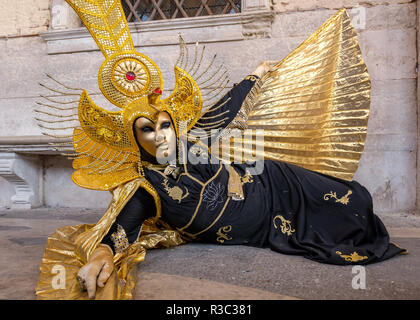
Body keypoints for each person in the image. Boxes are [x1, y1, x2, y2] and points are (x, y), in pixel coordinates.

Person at [35, 3, 407, 300]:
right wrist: (102, 255)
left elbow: (225, 110)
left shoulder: (191, 138)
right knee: (337, 234)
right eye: (148, 130)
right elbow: (122, 229)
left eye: (165, 125)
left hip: (273, 179)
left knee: (352, 200)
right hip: (264, 226)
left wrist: (255, 75)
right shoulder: (146, 190)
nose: (161, 136)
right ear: (136, 140)